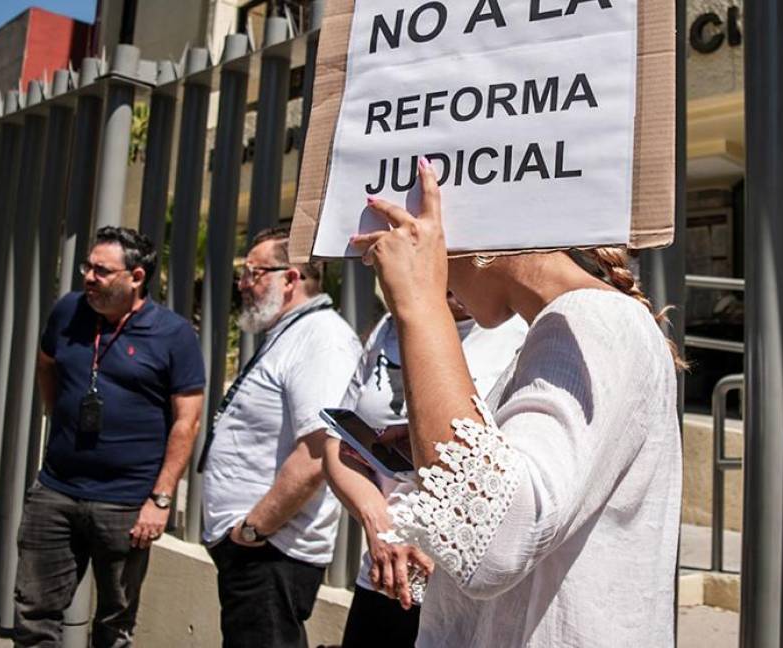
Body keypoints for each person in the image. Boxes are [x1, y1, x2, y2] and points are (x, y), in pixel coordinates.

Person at [348, 158, 683, 647]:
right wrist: (432, 457)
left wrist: (420, 304)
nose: (441, 280)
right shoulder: (571, 326)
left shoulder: (592, 321)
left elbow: (492, 544)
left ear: (480, 241)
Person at [15, 226, 206, 647]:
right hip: (56, 490)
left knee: (114, 623)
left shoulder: (173, 334)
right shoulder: (68, 311)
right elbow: (47, 364)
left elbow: (187, 421)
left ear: (136, 277)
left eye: (102, 271)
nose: (88, 277)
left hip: (126, 504)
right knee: (34, 611)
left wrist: (160, 499)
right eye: (88, 266)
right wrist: (55, 411)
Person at [325, 296, 527, 647]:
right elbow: (337, 445)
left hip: (463, 593)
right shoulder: (394, 324)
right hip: (384, 575)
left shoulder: (520, 334)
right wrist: (380, 525)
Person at [200, 228, 362, 648]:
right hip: (257, 550)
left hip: (271, 551)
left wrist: (253, 530)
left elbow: (318, 452)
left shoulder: (322, 339)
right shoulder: (292, 334)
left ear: (289, 278)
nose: (242, 285)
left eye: (252, 273)